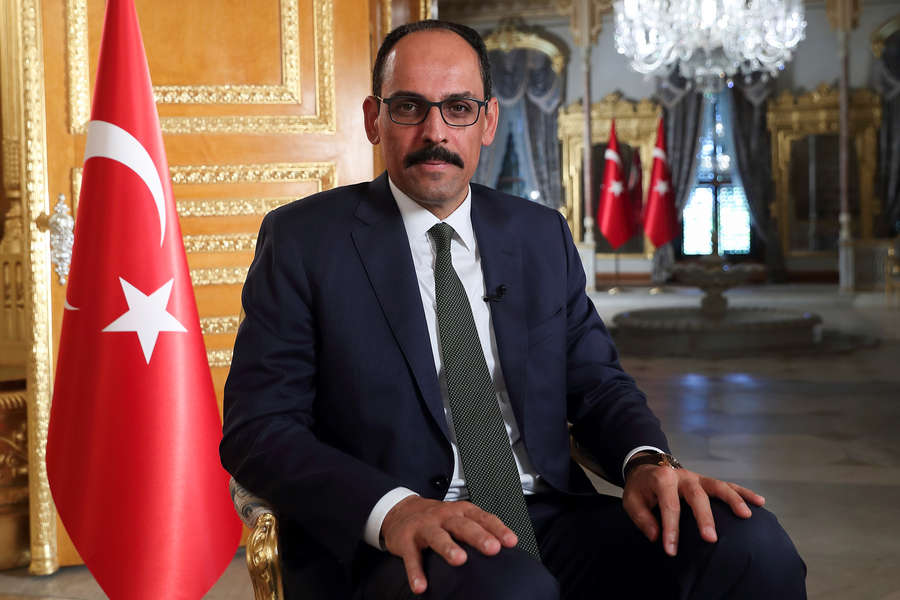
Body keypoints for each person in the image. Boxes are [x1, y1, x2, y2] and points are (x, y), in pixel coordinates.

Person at [220, 20, 806, 600]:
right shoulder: (304, 241)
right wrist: (393, 510)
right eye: (408, 107)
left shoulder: (539, 234)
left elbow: (597, 384)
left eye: (458, 108)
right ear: (375, 119)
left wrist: (646, 461)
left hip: (548, 516)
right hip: (397, 539)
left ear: (488, 121)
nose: (435, 131)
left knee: (753, 544)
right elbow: (258, 428)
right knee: (509, 588)